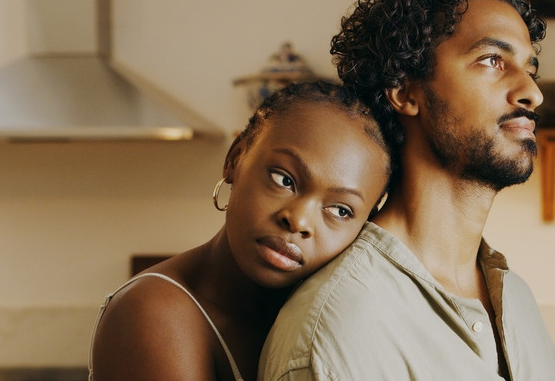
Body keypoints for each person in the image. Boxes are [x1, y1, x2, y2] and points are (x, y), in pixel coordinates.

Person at [260, 0, 555, 380]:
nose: (532, 92)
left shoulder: (516, 299)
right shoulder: (342, 325)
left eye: (530, 69)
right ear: (405, 91)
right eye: (492, 60)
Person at [88, 81, 392, 381]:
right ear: (236, 158)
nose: (299, 221)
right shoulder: (153, 314)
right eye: (284, 180)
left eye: (340, 210)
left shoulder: (327, 321)